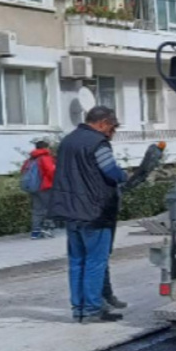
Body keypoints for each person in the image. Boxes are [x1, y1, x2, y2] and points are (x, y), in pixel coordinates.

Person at [48, 106, 128, 323]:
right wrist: (125, 175)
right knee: (95, 261)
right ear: (102, 123)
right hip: (94, 211)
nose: (110, 133)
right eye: (110, 128)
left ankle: (79, 310)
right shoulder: (97, 143)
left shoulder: (68, 141)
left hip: (70, 211)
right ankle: (93, 309)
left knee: (77, 261)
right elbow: (110, 171)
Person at [26, 141, 56, 239]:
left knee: (37, 209)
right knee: (50, 208)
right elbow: (51, 171)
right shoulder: (46, 158)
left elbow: (24, 171)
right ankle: (47, 229)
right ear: (46, 148)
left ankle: (35, 231)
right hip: (45, 187)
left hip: (34, 188)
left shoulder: (30, 159)